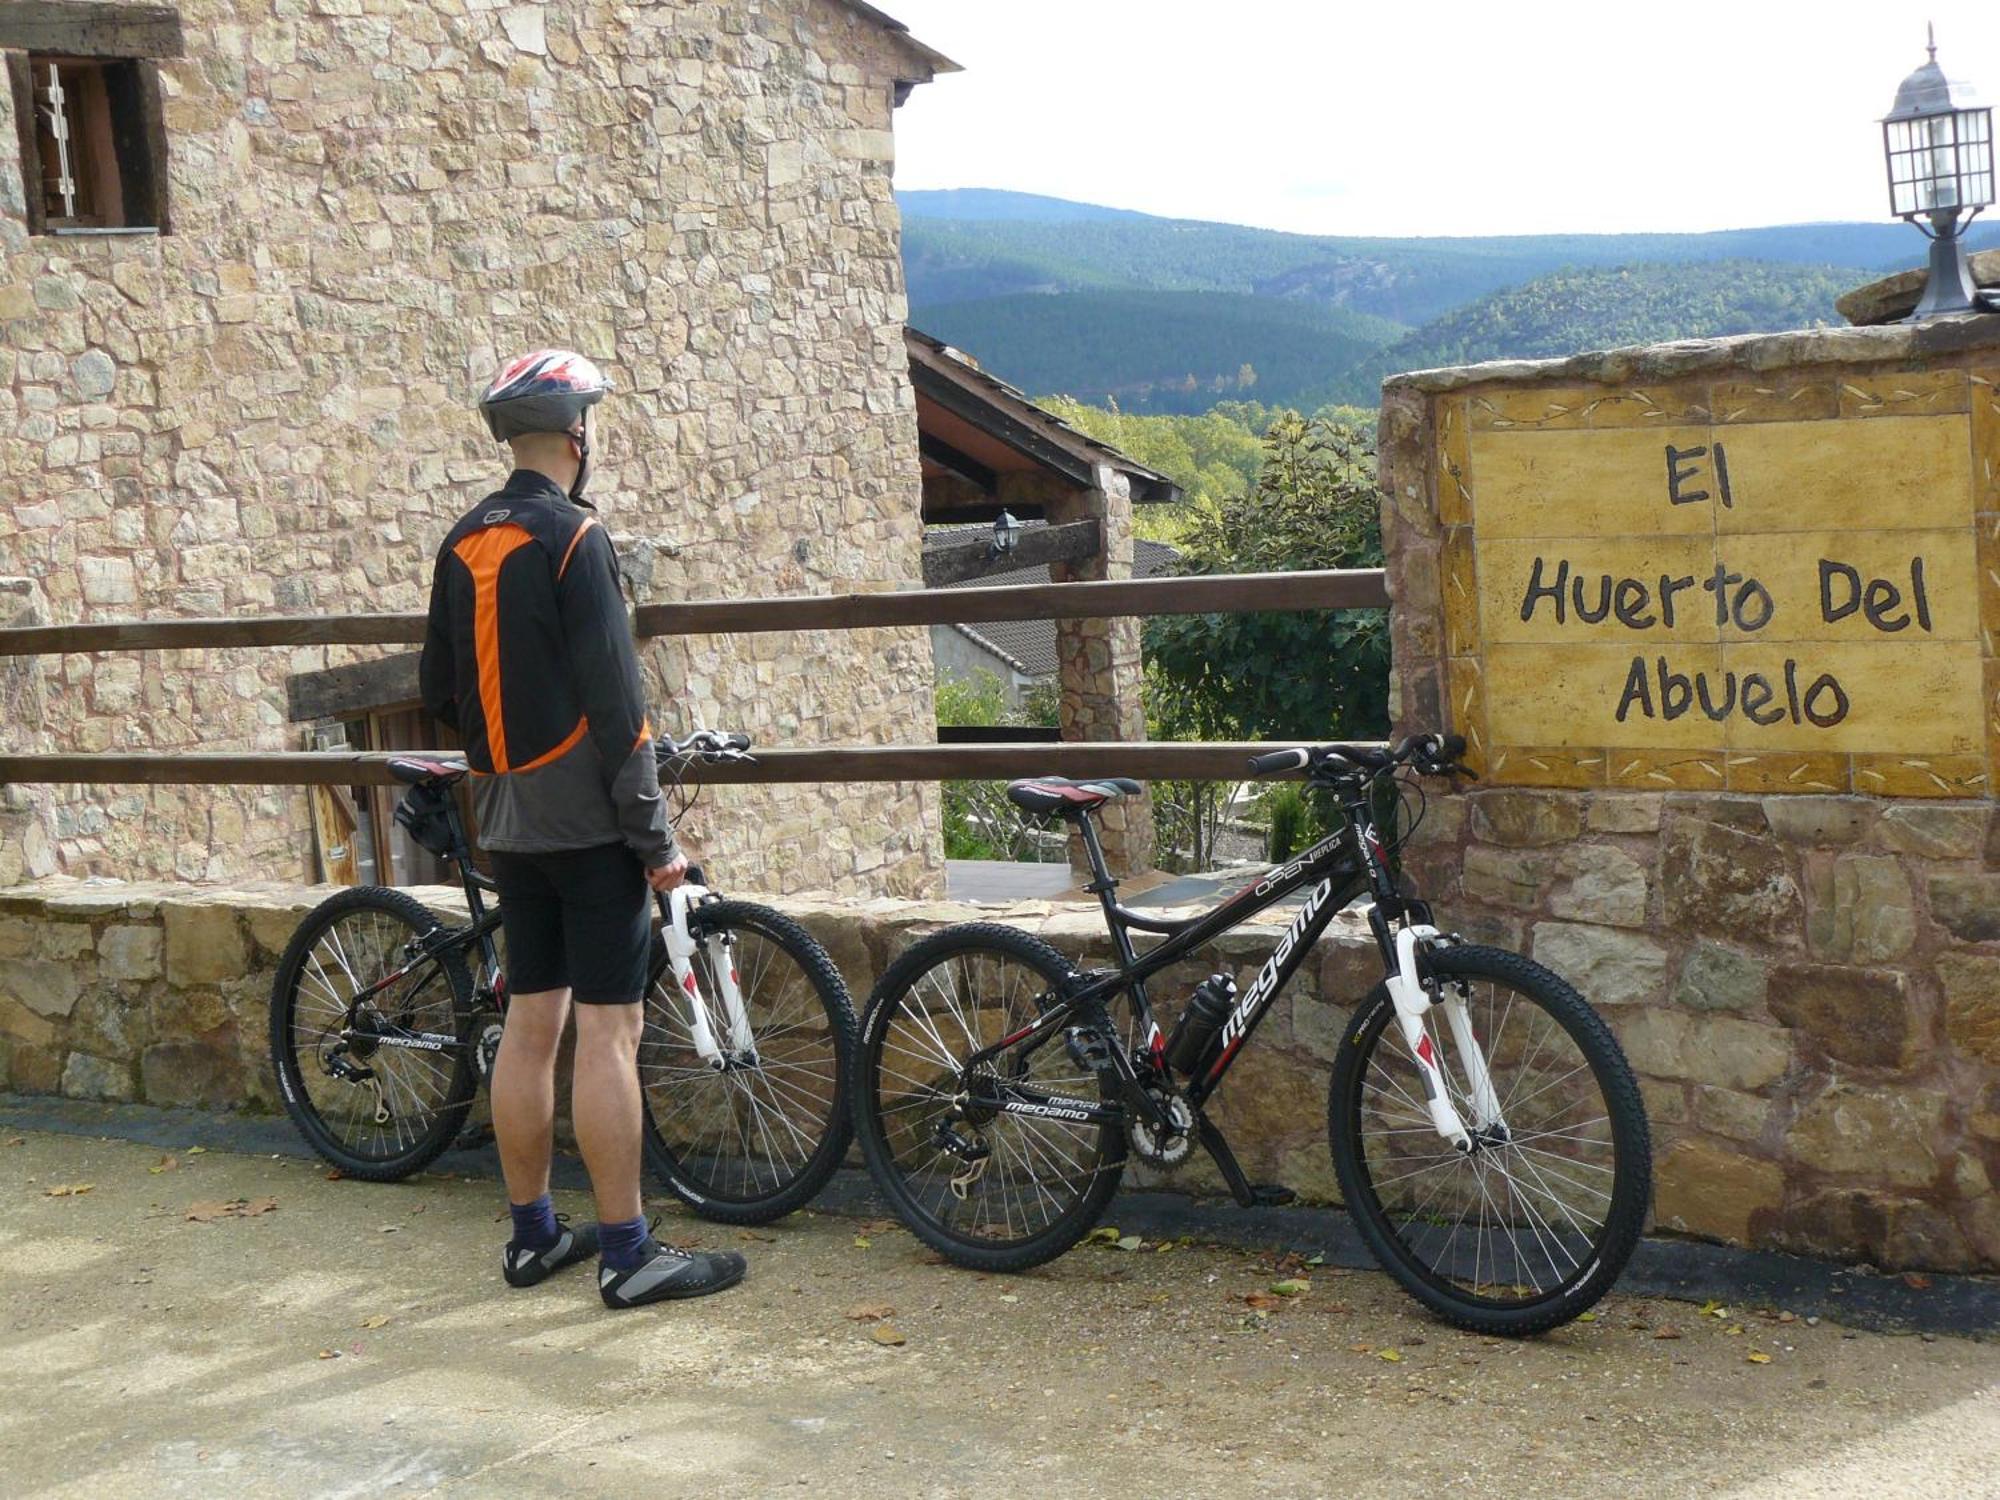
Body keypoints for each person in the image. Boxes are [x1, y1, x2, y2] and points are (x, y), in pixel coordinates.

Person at [418, 348, 746, 1309]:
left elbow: (439, 690)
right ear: (575, 437)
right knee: (610, 1033)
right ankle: (629, 1253)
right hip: (590, 826)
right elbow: (620, 710)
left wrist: (503, 755)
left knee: (531, 1024)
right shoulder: (575, 538)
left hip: (506, 817)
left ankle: (531, 1240)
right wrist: (658, 845)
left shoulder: (463, 540)